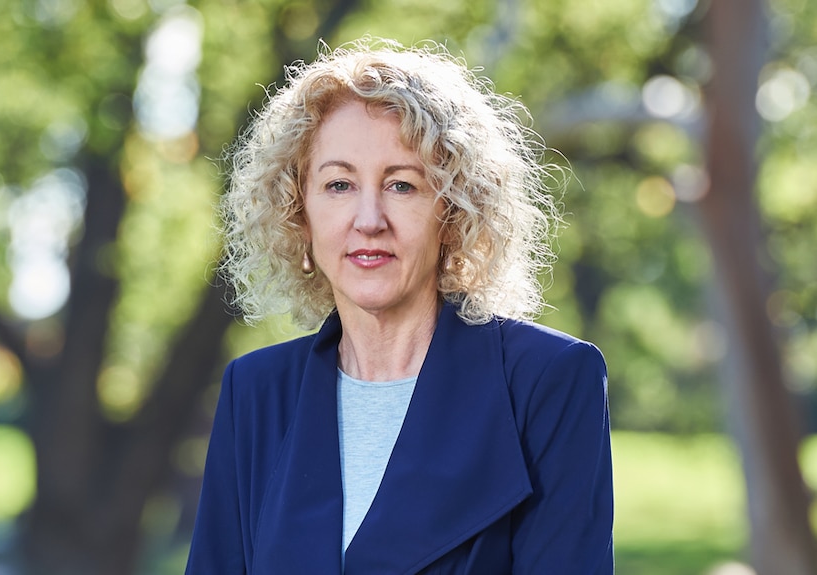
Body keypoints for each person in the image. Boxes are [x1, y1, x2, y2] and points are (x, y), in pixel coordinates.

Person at [185, 38, 613, 574]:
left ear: (454, 211)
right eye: (339, 184)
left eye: (401, 186)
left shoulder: (546, 382)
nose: (368, 219)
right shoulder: (256, 393)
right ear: (300, 213)